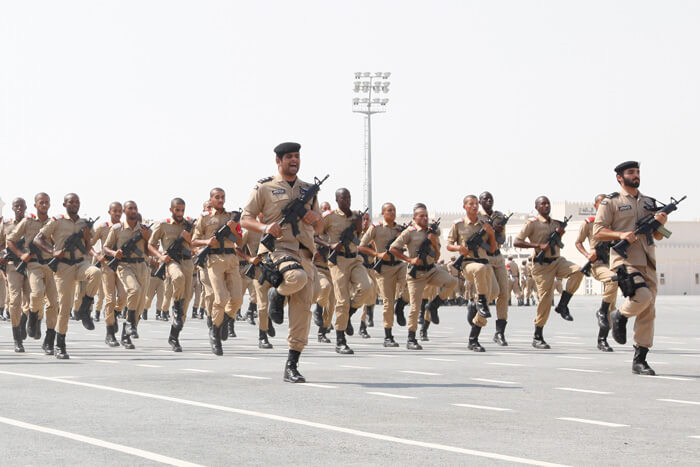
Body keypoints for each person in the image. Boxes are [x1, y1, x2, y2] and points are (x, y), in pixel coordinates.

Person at [240, 142, 323, 382]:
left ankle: (291, 366)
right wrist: (265, 227)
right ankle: (276, 294)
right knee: (296, 277)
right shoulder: (265, 187)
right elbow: (245, 219)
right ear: (278, 161)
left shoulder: (308, 190)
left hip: (304, 252)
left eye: (297, 156)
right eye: (289, 157)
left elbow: (320, 227)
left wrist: (313, 218)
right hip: (278, 249)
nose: (294, 160)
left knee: (302, 311)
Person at [593, 161, 668, 375]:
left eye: (637, 172)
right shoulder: (610, 202)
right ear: (620, 177)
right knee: (643, 296)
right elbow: (598, 232)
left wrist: (661, 222)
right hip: (624, 259)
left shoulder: (649, 202)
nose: (636, 175)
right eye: (631, 172)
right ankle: (620, 316)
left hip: (647, 260)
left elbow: (659, 235)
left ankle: (640, 359)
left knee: (648, 309)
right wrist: (620, 235)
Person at [34, 193, 102, 359]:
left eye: (77, 202)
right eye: (71, 202)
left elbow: (87, 249)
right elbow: (38, 239)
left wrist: (86, 238)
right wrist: (52, 251)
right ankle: (60, 345)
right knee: (65, 308)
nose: (75, 204)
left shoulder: (84, 223)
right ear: (64, 204)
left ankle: (84, 308)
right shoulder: (56, 221)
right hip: (64, 267)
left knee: (96, 272)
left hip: (80, 264)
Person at [513, 196, 583, 349]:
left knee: (578, 271)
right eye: (543, 204)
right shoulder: (532, 223)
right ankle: (538, 335)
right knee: (546, 299)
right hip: (541, 266)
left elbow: (558, 242)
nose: (546, 206)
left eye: (548, 203)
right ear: (537, 207)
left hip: (557, 261)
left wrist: (560, 233)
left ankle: (563, 304)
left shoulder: (555, 223)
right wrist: (538, 245)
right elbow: (517, 241)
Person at [390, 203, 457, 350]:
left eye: (426, 216)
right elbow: (393, 248)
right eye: (421, 216)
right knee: (415, 307)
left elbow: (437, 255)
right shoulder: (409, 232)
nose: (425, 218)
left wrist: (433, 242)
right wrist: (409, 259)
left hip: (432, 270)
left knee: (452, 282)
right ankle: (411, 338)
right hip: (417, 274)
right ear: (414, 218)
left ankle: (434, 305)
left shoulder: (433, 233)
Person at [321, 188, 372, 355]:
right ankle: (340, 340)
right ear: (337, 200)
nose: (347, 201)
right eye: (343, 198)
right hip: (338, 262)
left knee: (367, 287)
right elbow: (314, 235)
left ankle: (349, 313)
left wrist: (359, 227)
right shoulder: (329, 217)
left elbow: (359, 237)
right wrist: (329, 245)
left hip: (355, 259)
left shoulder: (356, 215)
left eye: (349, 197)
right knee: (342, 301)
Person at [192, 188, 242, 356]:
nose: (220, 200)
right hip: (214, 260)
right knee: (220, 298)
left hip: (231, 259)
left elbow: (240, 241)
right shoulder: (204, 218)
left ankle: (225, 319)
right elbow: (193, 241)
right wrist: (207, 242)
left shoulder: (232, 217)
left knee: (237, 299)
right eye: (217, 197)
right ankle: (215, 332)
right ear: (211, 199)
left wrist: (233, 229)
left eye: (223, 197)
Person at [6, 194, 58, 352]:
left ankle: (30, 320)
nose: (44, 205)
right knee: (15, 301)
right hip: (14, 265)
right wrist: (20, 255)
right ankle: (17, 338)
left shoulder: (52, 223)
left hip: (37, 265)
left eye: (46, 202)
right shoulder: (16, 223)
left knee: (37, 298)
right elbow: (8, 241)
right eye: (41, 202)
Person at [447, 195, 499, 351]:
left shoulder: (484, 223)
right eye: (471, 204)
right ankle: (480, 301)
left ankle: (473, 338)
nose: (475, 206)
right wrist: (459, 248)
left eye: (476, 204)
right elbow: (449, 245)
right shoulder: (458, 224)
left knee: (495, 292)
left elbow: (492, 249)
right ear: (464, 206)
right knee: (479, 271)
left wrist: (491, 233)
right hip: (468, 264)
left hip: (485, 263)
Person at [358, 202, 408, 347]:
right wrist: (377, 254)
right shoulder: (376, 228)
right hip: (384, 269)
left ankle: (401, 305)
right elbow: (361, 246)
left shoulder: (400, 229)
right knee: (388, 302)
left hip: (399, 265)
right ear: (383, 213)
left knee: (412, 281)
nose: (392, 212)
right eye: (389, 210)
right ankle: (388, 336)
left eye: (394, 210)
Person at [103, 201, 151, 349]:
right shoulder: (117, 229)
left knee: (140, 303)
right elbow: (106, 247)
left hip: (141, 266)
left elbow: (150, 250)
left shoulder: (144, 229)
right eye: (130, 208)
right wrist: (114, 253)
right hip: (124, 265)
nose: (133, 210)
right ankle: (111, 333)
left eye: (135, 208)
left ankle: (126, 335)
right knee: (130, 291)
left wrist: (147, 238)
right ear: (125, 211)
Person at [149, 198, 194, 352]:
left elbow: (195, 244)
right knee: (178, 277)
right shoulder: (163, 225)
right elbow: (150, 244)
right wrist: (160, 256)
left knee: (186, 301)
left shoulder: (189, 225)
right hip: (172, 261)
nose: (180, 213)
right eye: (177, 210)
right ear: (171, 210)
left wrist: (189, 239)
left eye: (182, 210)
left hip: (187, 262)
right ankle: (176, 306)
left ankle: (174, 336)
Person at [575, 194, 617, 352]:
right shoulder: (589, 223)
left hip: (613, 263)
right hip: (598, 264)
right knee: (612, 280)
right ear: (595, 206)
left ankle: (602, 339)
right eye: (601, 203)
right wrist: (587, 255)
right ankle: (602, 312)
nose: (605, 206)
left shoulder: (615, 222)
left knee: (612, 304)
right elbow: (578, 242)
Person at [478, 192, 512, 347]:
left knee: (504, 293)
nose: (489, 200)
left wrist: (497, 230)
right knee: (493, 291)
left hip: (498, 257)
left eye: (491, 198)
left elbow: (502, 240)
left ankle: (500, 332)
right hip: (484, 257)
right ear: (480, 201)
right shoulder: (477, 217)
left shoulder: (499, 216)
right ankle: (477, 306)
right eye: (485, 198)